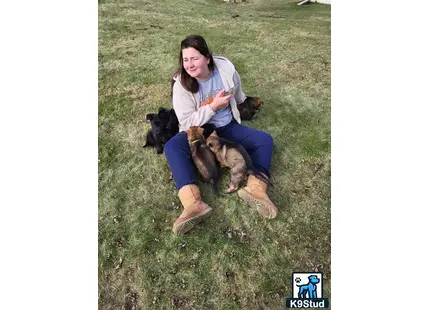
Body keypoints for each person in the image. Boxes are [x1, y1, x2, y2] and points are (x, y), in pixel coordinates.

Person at [165, 35, 278, 235]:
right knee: (173, 146)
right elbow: (187, 123)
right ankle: (193, 204)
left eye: (195, 58)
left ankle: (256, 189)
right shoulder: (181, 84)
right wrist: (213, 106)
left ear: (207, 58)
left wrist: (242, 101)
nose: (189, 65)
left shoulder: (225, 69)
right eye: (185, 60)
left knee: (264, 140)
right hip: (199, 130)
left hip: (226, 126)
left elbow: (238, 91)